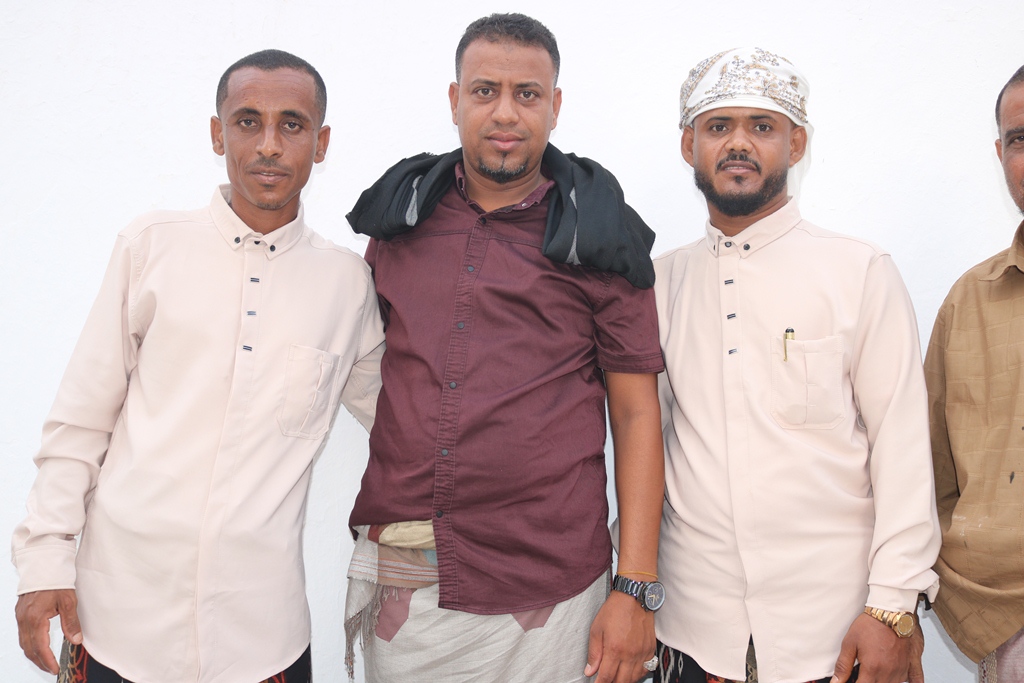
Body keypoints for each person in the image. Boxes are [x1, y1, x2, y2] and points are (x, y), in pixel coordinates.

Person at [12, 49, 384, 683]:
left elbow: (406, 417)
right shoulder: (151, 247)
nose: (269, 144)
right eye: (248, 121)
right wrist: (43, 560)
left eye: (292, 124)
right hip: (117, 625)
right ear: (218, 134)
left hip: (261, 639)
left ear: (321, 143)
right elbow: (80, 422)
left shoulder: (345, 284)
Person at [342, 12, 665, 683]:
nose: (506, 113)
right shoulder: (400, 221)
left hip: (550, 587)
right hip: (411, 584)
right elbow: (377, 364)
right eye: (485, 90)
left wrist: (634, 587)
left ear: (555, 105)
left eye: (528, 93)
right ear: (454, 99)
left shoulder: (599, 235)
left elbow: (637, 415)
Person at [653, 48, 941, 683]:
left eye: (762, 126)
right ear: (689, 145)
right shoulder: (658, 284)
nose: (738, 143)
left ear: (797, 143)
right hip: (694, 633)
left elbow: (902, 448)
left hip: (836, 634)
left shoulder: (859, 271)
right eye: (718, 126)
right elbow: (647, 448)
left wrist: (893, 606)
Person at [926, 64, 1024, 683]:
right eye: (1020, 139)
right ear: (1000, 154)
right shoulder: (969, 301)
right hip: (1009, 628)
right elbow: (926, 471)